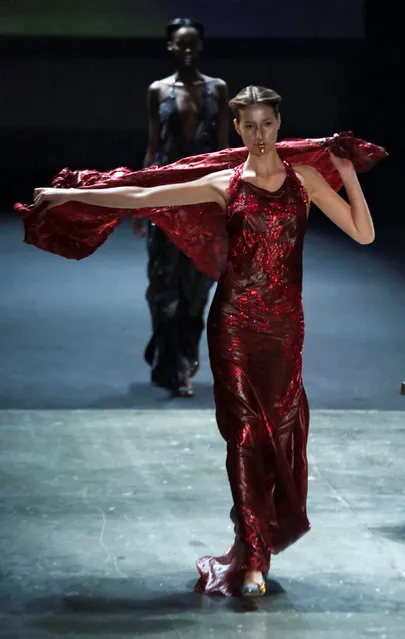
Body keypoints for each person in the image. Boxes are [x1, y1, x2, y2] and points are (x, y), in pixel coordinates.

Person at [24, 85, 384, 597]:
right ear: (236, 129)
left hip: (285, 327)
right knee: (242, 436)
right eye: (249, 125)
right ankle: (254, 557)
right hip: (234, 322)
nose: (259, 134)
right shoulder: (224, 182)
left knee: (279, 433)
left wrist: (345, 173)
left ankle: (257, 540)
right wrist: (69, 194)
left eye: (266, 123)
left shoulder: (304, 179)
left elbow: (364, 234)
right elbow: (143, 196)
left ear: (279, 123)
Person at [134, 16, 229, 397]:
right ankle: (173, 365)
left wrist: (229, 200)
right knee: (162, 284)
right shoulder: (158, 90)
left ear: (200, 47)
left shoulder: (217, 89)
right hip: (165, 199)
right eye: (180, 43)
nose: (186, 50)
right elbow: (153, 147)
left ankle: (185, 356)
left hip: (204, 199)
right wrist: (140, 205)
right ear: (170, 47)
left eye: (192, 43)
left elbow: (224, 150)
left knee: (197, 286)